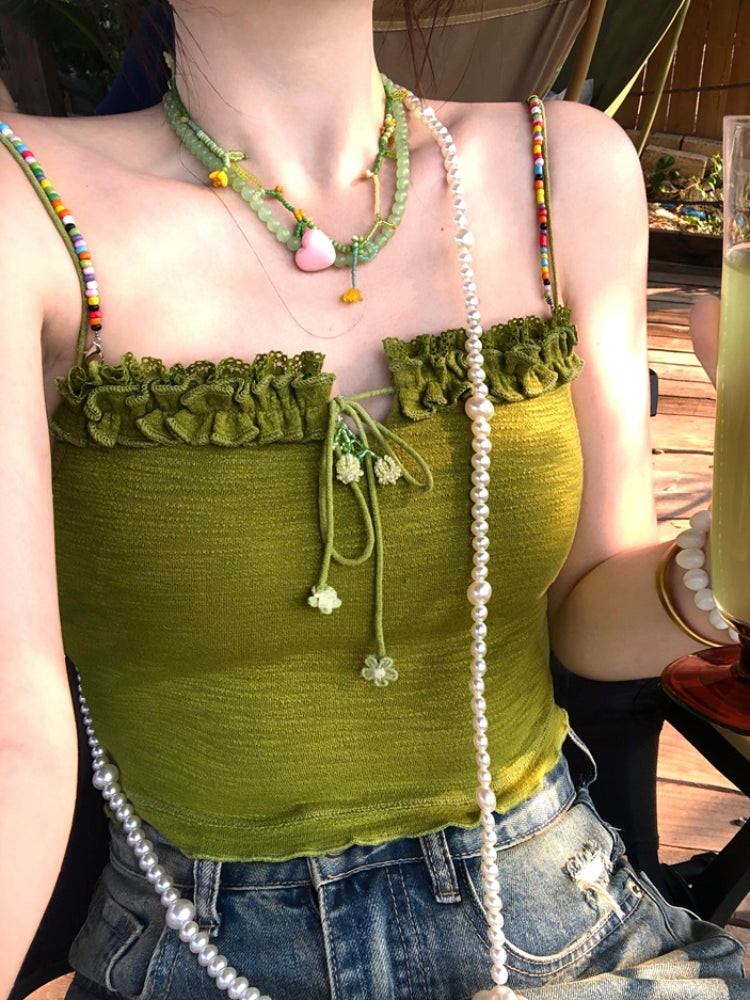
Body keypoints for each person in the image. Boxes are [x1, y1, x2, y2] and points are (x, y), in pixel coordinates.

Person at [0, 2, 744, 999]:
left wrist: (718, 567)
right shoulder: (23, 204)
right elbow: (15, 732)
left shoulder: (564, 169)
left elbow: (590, 614)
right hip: (196, 948)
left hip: (560, 920)